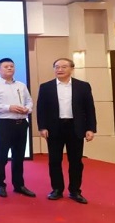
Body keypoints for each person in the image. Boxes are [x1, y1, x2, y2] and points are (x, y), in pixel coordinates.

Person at [37, 57, 96, 204]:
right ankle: (57, 189)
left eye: (63, 67)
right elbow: (41, 109)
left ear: (71, 69)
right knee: (54, 160)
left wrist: (90, 128)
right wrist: (42, 127)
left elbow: (89, 109)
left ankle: (75, 191)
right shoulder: (46, 87)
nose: (60, 69)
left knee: (76, 161)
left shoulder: (83, 86)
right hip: (54, 128)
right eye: (57, 67)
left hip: (75, 127)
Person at [0, 57, 36, 198]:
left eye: (12, 66)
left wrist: (27, 109)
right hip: (4, 124)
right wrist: (9, 107)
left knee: (19, 156)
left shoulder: (21, 85)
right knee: (1, 156)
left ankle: (19, 185)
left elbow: (29, 101)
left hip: (21, 124)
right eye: (6, 66)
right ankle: (0, 184)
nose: (9, 68)